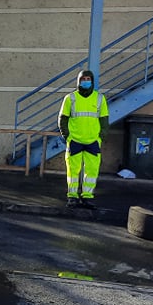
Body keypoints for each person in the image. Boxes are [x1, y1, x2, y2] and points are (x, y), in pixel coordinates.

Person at [58, 69, 109, 208]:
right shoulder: (70, 98)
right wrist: (67, 136)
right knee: (73, 171)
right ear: (78, 81)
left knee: (92, 171)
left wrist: (100, 137)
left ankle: (87, 196)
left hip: (93, 141)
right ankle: (72, 196)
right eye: (83, 79)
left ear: (92, 81)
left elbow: (104, 120)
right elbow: (63, 119)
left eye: (88, 79)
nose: (86, 82)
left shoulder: (100, 98)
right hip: (74, 140)